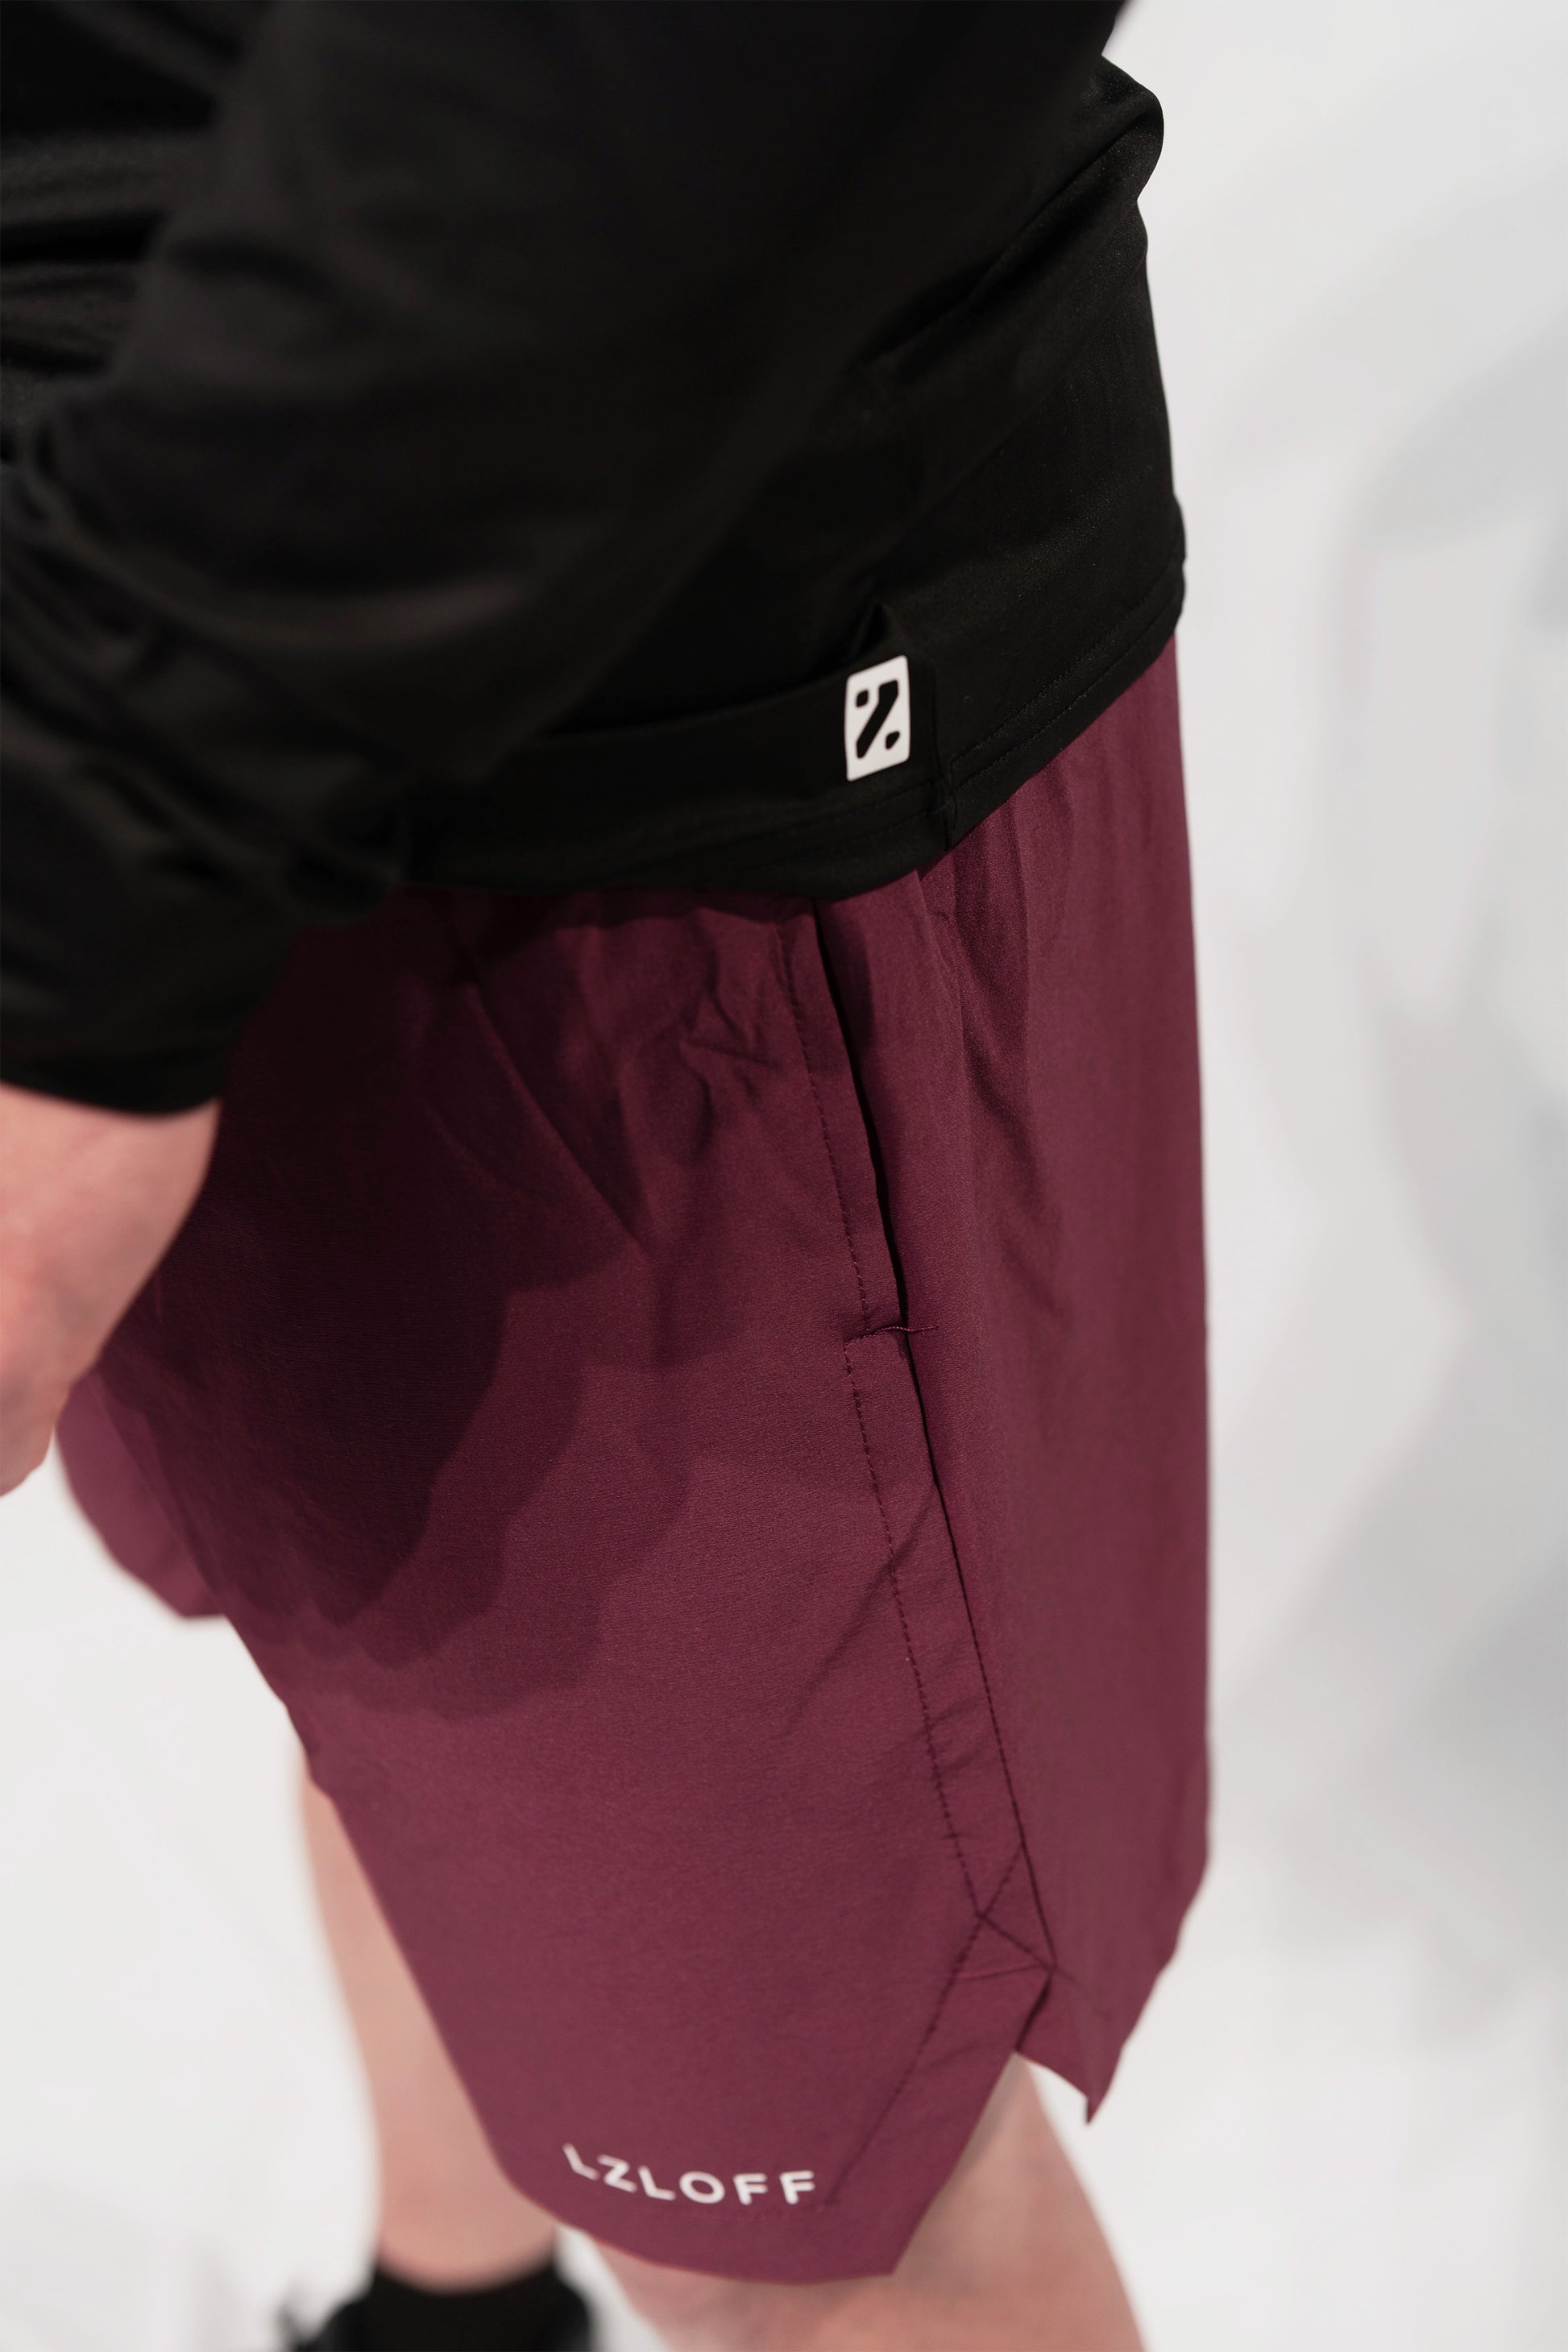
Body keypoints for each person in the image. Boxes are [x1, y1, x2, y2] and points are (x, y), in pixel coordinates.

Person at [0, 6, 1207, 2347]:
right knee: (381, 1690)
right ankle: (455, 2310)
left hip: (622, 710)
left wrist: (115, 842)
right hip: (131, 620)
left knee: (805, 2201)